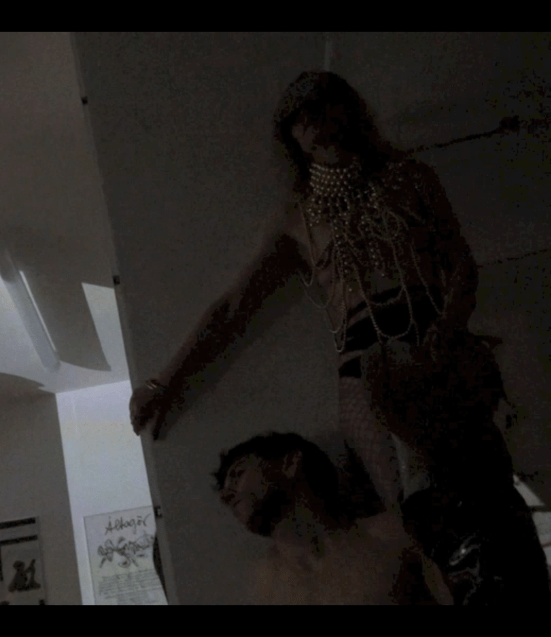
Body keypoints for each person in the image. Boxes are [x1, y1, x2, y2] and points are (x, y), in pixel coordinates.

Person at [130, 70, 550, 604]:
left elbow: (461, 265)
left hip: (434, 343)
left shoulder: (409, 177)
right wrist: (164, 381)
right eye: (300, 120)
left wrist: (447, 330)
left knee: (480, 486)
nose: (315, 125)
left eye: (322, 108)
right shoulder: (297, 215)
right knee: (414, 512)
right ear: (291, 138)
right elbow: (233, 306)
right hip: (363, 363)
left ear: (348, 108)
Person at [215, 432, 450, 604]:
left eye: (238, 473)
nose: (226, 495)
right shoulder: (262, 586)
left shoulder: (390, 534)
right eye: (225, 490)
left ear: (290, 463)